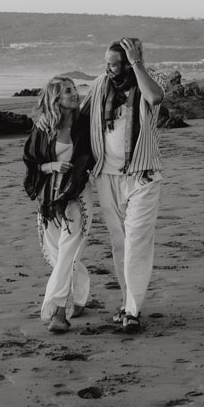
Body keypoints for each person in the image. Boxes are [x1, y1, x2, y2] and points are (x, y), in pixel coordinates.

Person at [81, 37, 164, 333]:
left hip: (142, 174)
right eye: (107, 63)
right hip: (106, 176)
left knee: (136, 241)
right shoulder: (101, 85)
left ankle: (132, 309)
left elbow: (155, 98)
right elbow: (80, 115)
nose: (109, 69)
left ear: (129, 63)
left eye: (115, 64)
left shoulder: (149, 79)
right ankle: (126, 301)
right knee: (119, 242)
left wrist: (137, 63)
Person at [22, 75, 94, 333]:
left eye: (74, 89)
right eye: (67, 91)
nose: (74, 94)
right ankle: (80, 296)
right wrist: (51, 165)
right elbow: (31, 163)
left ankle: (58, 312)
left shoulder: (85, 124)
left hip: (77, 195)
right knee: (58, 255)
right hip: (49, 199)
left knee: (67, 253)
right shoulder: (44, 127)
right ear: (55, 99)